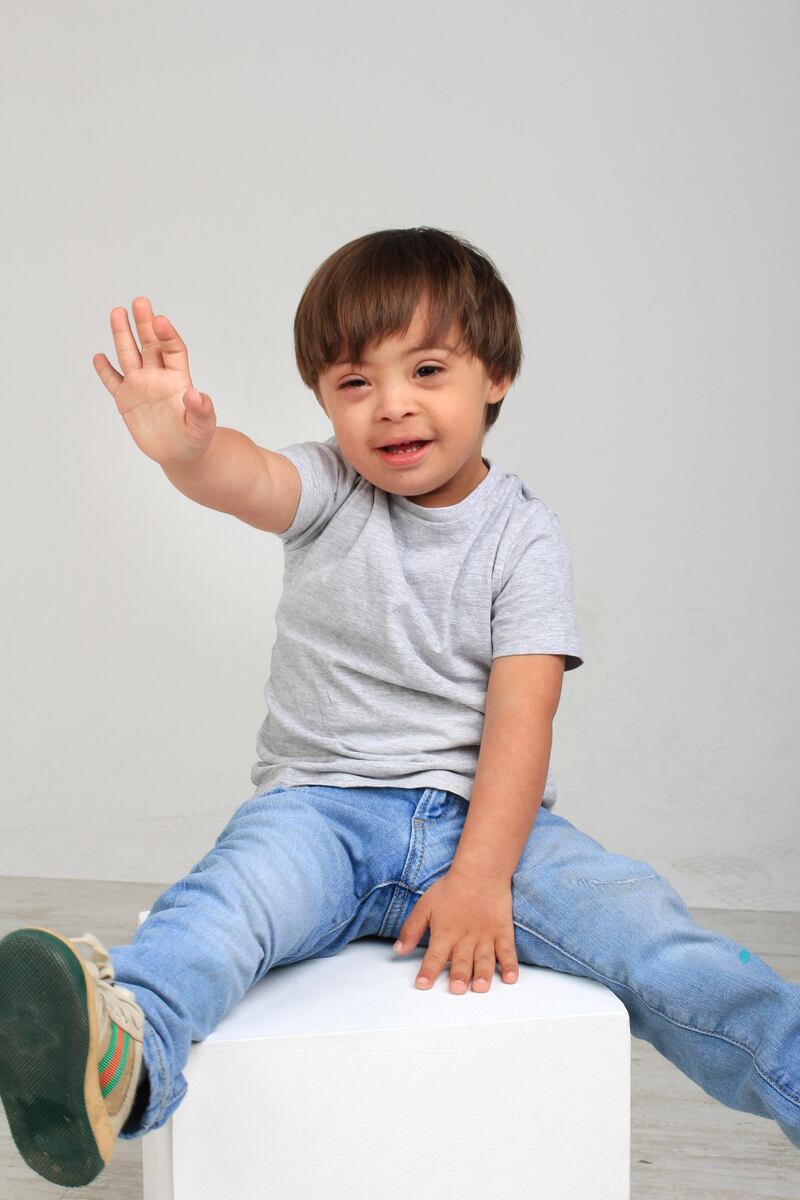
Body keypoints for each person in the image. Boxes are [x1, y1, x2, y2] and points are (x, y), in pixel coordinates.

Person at [1, 228, 798, 1188]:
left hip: (488, 822)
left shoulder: (523, 535)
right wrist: (186, 451)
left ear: (494, 375)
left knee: (652, 934)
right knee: (221, 912)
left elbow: (522, 719)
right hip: (319, 814)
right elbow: (245, 477)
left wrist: (480, 876)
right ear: (325, 404)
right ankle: (129, 1060)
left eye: (426, 368)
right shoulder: (332, 489)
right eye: (353, 383)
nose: (392, 406)